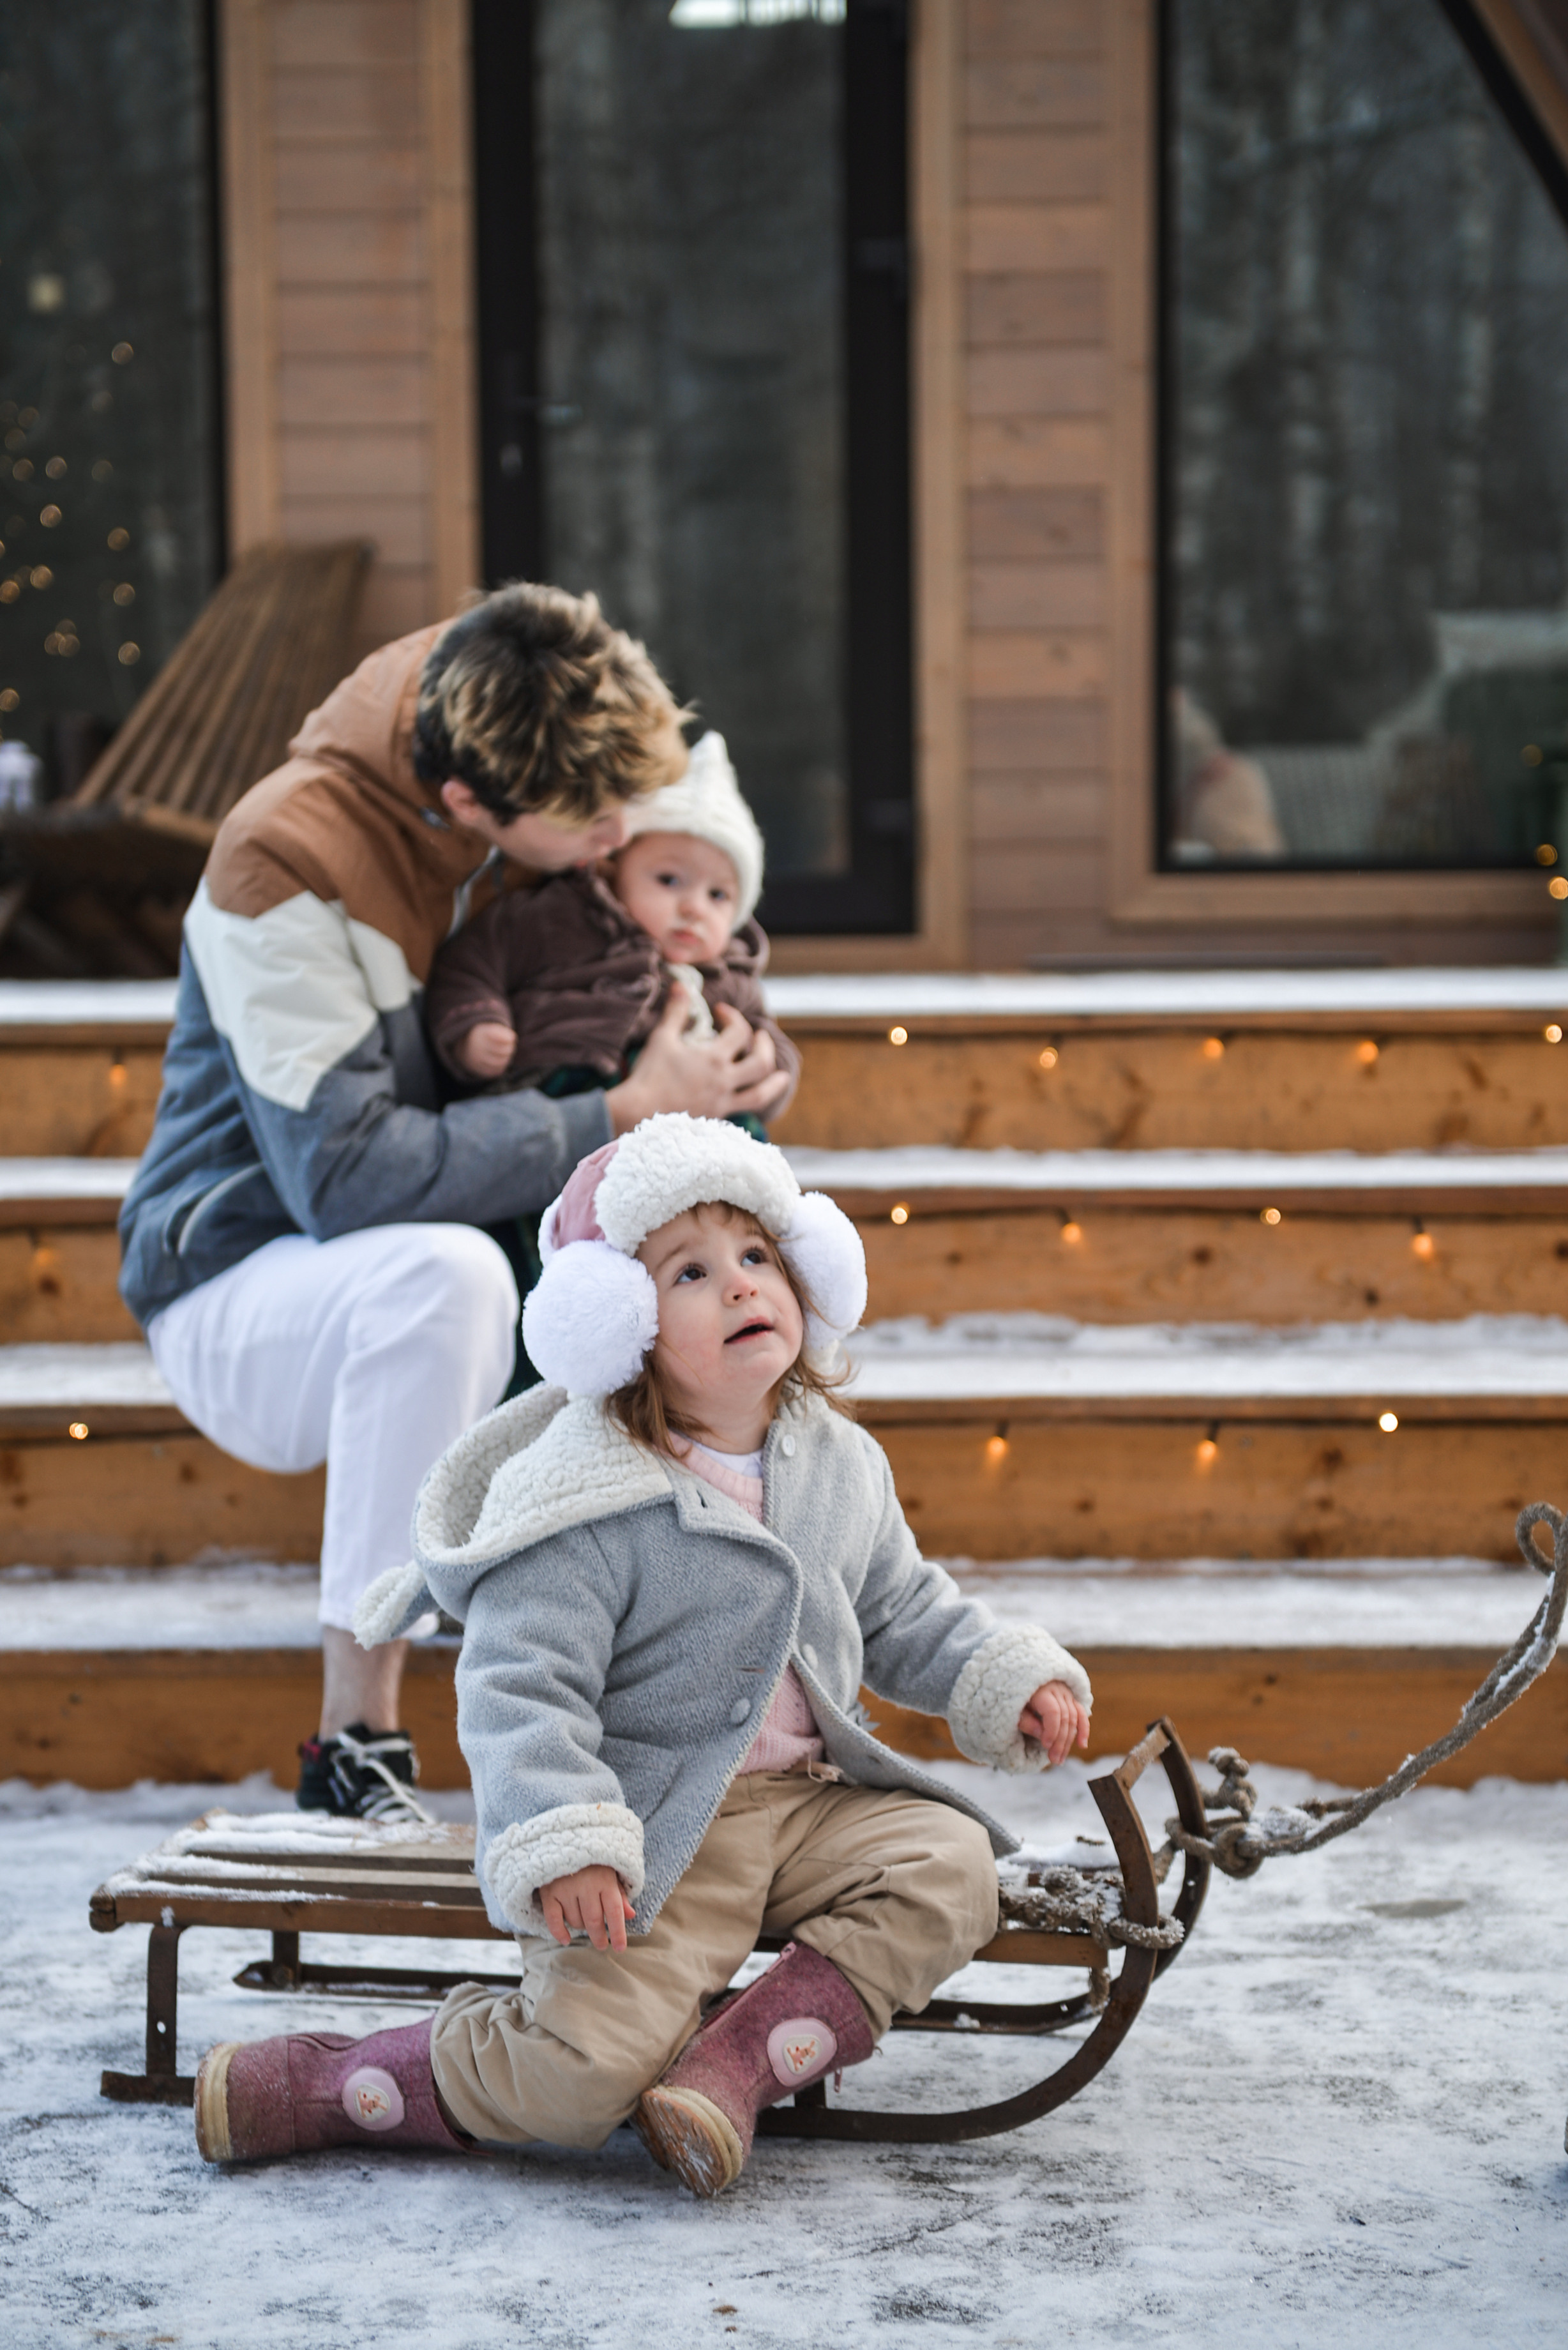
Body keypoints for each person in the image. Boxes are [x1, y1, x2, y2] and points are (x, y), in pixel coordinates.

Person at [190, 1113, 1094, 2195]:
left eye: (757, 1257)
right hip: (648, 1837)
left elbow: (901, 1610)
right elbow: (524, 1691)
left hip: (808, 1808)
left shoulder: (836, 1461)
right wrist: (569, 1837)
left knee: (950, 1867)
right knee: (575, 2081)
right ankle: (338, 2083)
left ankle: (734, 2065)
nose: (742, 1287)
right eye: (691, 1273)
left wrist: (1003, 1677)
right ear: (615, 1324)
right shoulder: (587, 1497)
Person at [117, 587, 791, 1820]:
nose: (619, 838)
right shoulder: (286, 865)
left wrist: (718, 1067)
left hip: (468, 1226)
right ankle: (354, 1738)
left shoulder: (523, 701)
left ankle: (681, 1714)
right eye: (594, 822)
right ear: (476, 809)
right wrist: (619, 1112)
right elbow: (346, 1180)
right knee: (446, 1275)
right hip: (245, 1273)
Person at [425, 728, 800, 1141]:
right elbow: (472, 962)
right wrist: (475, 1025)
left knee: (744, 1143)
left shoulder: (731, 975)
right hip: (561, 1093)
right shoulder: (559, 916)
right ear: (614, 868)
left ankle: (743, 1201)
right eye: (670, 880)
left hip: (696, 1121)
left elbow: (768, 1047)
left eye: (718, 895)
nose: (694, 908)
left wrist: (767, 1071)